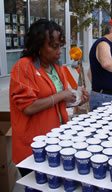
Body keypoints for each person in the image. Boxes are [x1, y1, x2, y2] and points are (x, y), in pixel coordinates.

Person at [9, 19, 89, 176]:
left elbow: (59, 103)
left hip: (55, 141)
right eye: (54, 46)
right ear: (38, 46)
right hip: (33, 148)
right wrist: (60, 95)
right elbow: (28, 107)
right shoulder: (23, 67)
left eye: (60, 45)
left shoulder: (56, 67)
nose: (59, 51)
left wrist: (77, 99)